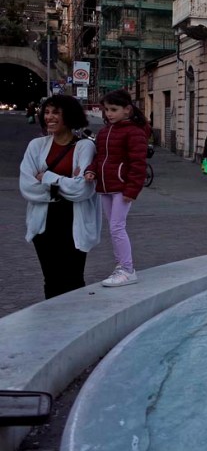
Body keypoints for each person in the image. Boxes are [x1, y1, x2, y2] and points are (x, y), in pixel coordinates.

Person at [19, 95, 103, 299]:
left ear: (70, 115)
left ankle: (75, 318)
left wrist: (47, 177)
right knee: (51, 279)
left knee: (73, 279)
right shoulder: (36, 146)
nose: (49, 117)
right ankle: (52, 318)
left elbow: (83, 189)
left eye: (56, 112)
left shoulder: (85, 146)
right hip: (44, 222)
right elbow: (27, 186)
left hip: (74, 221)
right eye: (46, 112)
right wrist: (66, 184)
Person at [84, 90, 151, 287]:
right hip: (105, 187)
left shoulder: (134, 132)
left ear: (127, 110)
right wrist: (91, 171)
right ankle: (121, 266)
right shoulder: (105, 132)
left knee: (117, 227)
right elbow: (99, 157)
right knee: (114, 227)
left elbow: (138, 165)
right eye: (106, 110)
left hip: (121, 188)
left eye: (113, 109)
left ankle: (127, 270)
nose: (109, 114)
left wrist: (131, 190)